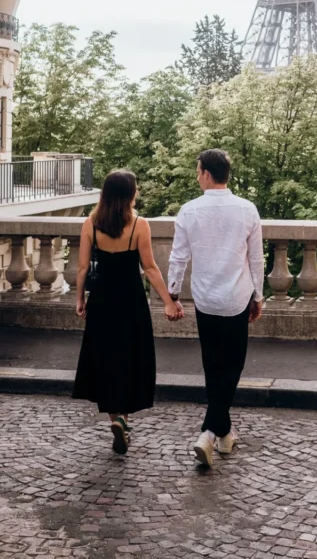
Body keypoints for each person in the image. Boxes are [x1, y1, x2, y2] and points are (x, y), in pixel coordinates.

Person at [73, 169, 183, 454]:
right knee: (129, 357)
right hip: (130, 300)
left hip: (101, 300)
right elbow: (149, 268)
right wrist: (168, 301)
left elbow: (83, 267)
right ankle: (123, 417)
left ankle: (116, 418)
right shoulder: (139, 225)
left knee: (105, 358)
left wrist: (80, 299)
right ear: (130, 194)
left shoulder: (90, 224)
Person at [168, 148, 264, 467]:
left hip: (205, 299)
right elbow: (255, 259)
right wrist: (259, 295)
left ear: (207, 174)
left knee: (212, 364)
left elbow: (178, 257)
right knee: (233, 364)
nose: (197, 177)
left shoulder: (189, 210)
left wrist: (172, 293)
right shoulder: (247, 210)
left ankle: (221, 434)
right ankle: (211, 433)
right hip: (237, 297)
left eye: (198, 171)